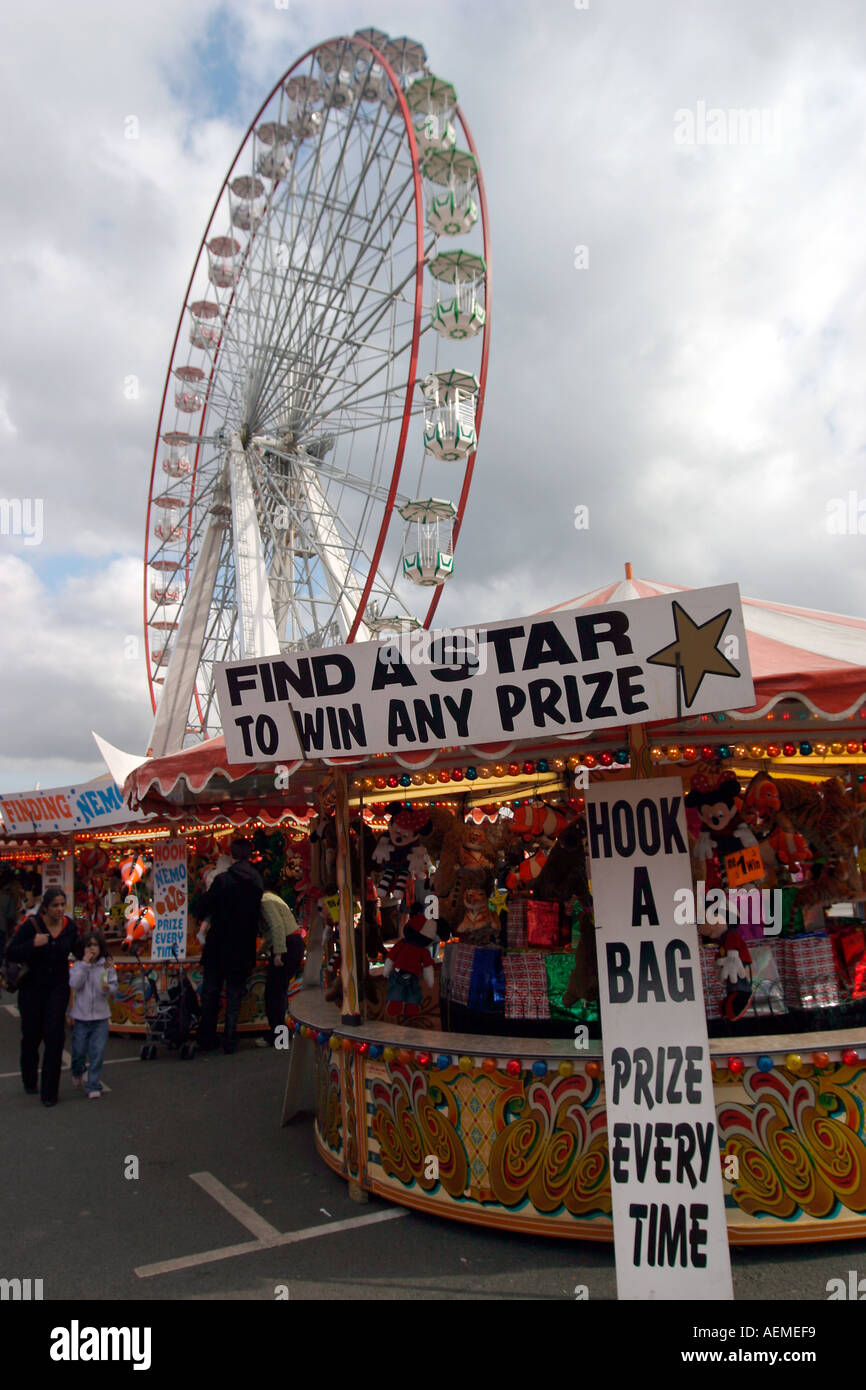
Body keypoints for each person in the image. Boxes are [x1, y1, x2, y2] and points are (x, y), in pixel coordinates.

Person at [6, 886, 80, 1106]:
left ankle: (50, 1092)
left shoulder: (69, 926)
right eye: (55, 905)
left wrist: (100, 956)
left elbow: (79, 948)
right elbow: (10, 952)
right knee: (31, 1036)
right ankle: (29, 1078)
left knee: (55, 1037)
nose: (59, 909)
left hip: (58, 987)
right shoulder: (31, 926)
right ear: (45, 908)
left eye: (62, 905)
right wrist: (32, 944)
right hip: (31, 989)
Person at [192, 839, 263, 1054]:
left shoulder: (223, 880)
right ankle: (230, 1038)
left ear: (231, 856)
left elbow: (203, 906)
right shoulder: (257, 881)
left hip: (219, 944)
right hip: (243, 945)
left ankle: (208, 1037)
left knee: (212, 992)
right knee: (234, 994)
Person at [69, 929, 118, 1098]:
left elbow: (113, 985)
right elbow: (74, 984)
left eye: (95, 945)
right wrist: (84, 964)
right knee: (79, 1050)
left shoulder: (106, 965)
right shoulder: (78, 966)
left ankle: (93, 1084)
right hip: (81, 1017)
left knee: (97, 1051)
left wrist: (108, 988)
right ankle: (77, 1070)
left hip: (101, 1017)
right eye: (88, 946)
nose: (92, 949)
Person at [257, 877, 304, 1047]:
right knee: (280, 992)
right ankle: (282, 1037)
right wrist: (262, 951)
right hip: (293, 944)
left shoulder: (265, 901)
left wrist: (277, 953)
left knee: (274, 993)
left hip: (286, 947)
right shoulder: (273, 898)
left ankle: (278, 1037)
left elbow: (277, 927)